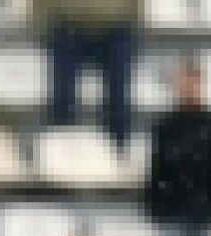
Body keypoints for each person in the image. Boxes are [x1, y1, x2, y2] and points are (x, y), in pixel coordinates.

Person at [144, 59, 211, 236]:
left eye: (193, 83)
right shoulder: (165, 125)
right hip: (171, 205)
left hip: (204, 206)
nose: (188, 88)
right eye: (183, 83)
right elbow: (157, 167)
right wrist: (154, 201)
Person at [33, 0, 137, 150]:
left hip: (117, 25)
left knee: (118, 96)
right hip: (67, 24)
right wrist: (45, 19)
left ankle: (118, 152)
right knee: (62, 95)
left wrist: (132, 18)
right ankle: (60, 151)